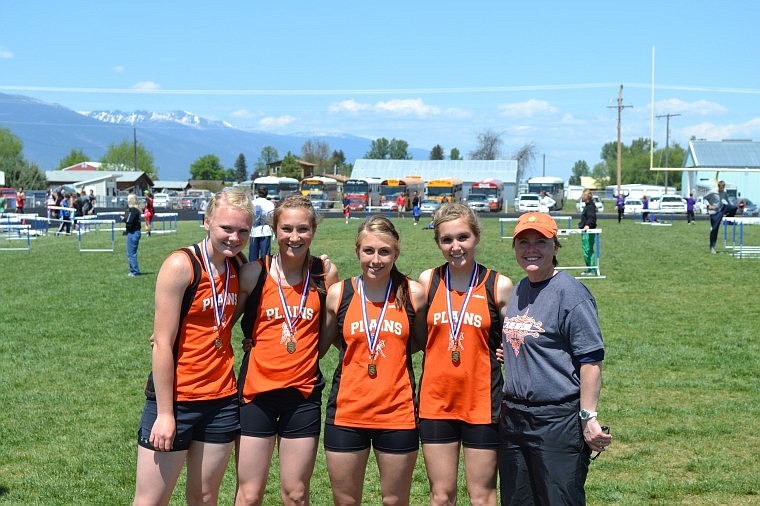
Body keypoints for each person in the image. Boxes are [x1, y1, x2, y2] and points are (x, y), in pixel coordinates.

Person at [133, 188, 254, 506]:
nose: (234, 237)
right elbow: (161, 344)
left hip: (222, 403)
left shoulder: (238, 267)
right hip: (177, 401)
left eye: (243, 230)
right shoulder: (181, 265)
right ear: (206, 222)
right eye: (226, 228)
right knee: (151, 500)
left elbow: (225, 320)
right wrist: (165, 413)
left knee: (204, 497)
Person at [499, 211, 612, 505]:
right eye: (523, 242)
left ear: (555, 247)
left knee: (558, 499)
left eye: (540, 242)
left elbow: (591, 362)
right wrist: (511, 353)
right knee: (517, 500)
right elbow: (528, 339)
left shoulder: (571, 294)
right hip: (514, 418)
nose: (531, 249)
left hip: (555, 420)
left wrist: (588, 417)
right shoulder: (519, 289)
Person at [236, 194, 339, 505]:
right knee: (250, 493)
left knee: (295, 494)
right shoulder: (254, 273)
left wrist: (308, 356)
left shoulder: (325, 273)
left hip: (302, 396)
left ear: (314, 231)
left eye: (303, 229)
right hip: (256, 394)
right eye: (287, 229)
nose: (295, 237)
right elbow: (221, 321)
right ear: (274, 229)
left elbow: (330, 332)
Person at [320, 216, 427, 506]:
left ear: (396, 254)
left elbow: (422, 342)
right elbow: (324, 343)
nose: (376, 259)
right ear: (357, 251)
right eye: (368, 251)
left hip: (397, 413)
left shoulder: (413, 293)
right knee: (346, 501)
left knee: (395, 500)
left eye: (384, 252)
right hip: (346, 412)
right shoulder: (338, 294)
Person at [417, 203, 514, 505]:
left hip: (482, 402)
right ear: (438, 243)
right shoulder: (427, 282)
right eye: (447, 240)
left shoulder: (499, 286)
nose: (455, 246)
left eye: (463, 237)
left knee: (482, 495)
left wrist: (505, 353)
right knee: (441, 495)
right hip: (436, 402)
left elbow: (515, 342)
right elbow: (416, 337)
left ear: (476, 237)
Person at [704, 180, 738, 254]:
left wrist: (732, 206)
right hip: (714, 212)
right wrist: (708, 206)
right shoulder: (712, 192)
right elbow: (704, 198)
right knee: (714, 230)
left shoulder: (724, 192)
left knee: (734, 208)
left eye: (723, 187)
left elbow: (727, 201)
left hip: (722, 209)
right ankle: (712, 247)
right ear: (718, 186)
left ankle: (728, 220)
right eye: (720, 187)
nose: (721, 189)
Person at [249, 186, 275, 260]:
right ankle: (265, 270)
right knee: (265, 256)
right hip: (265, 231)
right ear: (266, 193)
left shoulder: (252, 203)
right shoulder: (270, 204)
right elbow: (271, 218)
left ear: (258, 192)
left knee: (253, 255)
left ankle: (252, 270)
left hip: (253, 231)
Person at [578, 189, 598, 275]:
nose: (581, 197)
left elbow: (592, 218)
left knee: (588, 250)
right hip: (585, 231)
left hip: (589, 231)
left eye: (583, 195)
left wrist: (587, 225)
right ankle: (590, 269)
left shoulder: (590, 206)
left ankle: (592, 270)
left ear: (587, 197)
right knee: (586, 250)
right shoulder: (587, 205)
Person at [123, 194, 142, 277]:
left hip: (134, 232)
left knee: (131, 253)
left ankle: (135, 271)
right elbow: (126, 218)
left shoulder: (134, 210)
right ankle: (132, 270)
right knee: (129, 253)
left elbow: (129, 220)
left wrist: (124, 219)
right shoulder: (130, 209)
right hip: (131, 232)